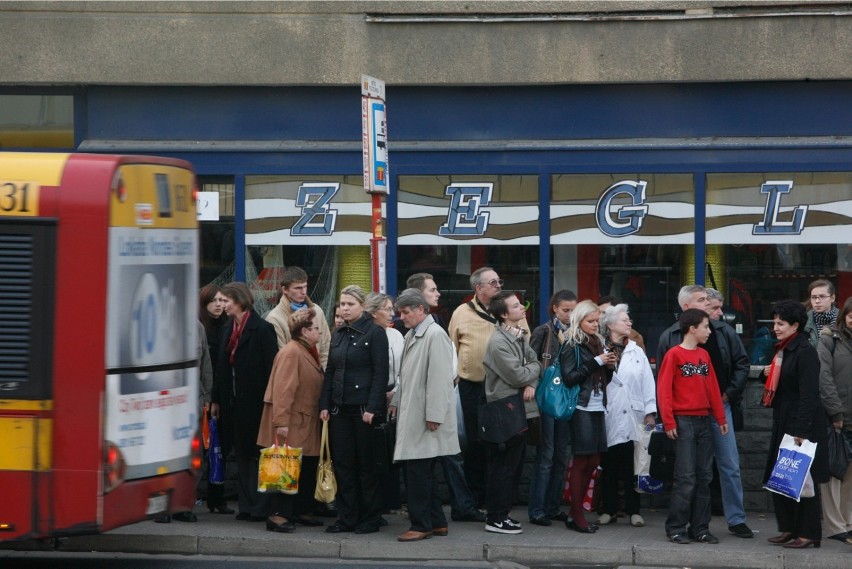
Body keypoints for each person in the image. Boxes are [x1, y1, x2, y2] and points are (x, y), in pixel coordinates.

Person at [657, 285, 754, 538]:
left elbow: (739, 366)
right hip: (685, 415)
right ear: (687, 308)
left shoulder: (722, 331)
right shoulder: (671, 339)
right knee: (687, 474)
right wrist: (667, 419)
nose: (708, 303)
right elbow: (664, 385)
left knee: (723, 466)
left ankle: (727, 521)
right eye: (701, 300)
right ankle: (681, 525)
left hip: (717, 406)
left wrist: (727, 396)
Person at [404, 272, 485, 523]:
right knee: (432, 462)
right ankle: (437, 513)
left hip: (440, 400)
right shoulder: (407, 327)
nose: (438, 293)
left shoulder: (435, 323)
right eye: (433, 290)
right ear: (419, 298)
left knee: (451, 457)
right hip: (422, 405)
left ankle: (457, 507)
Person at [450, 267, 528, 506]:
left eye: (499, 281)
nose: (498, 286)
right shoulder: (461, 312)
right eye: (493, 282)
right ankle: (477, 497)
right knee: (474, 443)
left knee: (506, 441)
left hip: (505, 389)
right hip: (472, 387)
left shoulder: (511, 310)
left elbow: (527, 345)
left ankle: (503, 498)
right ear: (478, 288)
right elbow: (451, 349)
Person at [389, 288, 459, 541]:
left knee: (417, 472)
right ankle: (436, 521)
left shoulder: (434, 335)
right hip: (418, 414)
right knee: (422, 471)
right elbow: (406, 376)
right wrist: (396, 399)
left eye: (406, 312)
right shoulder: (416, 334)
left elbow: (441, 379)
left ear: (421, 309)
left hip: (423, 416)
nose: (402, 317)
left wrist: (435, 415)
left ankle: (421, 525)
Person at [319, 285, 389, 534]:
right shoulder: (338, 333)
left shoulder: (375, 332)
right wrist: (324, 404)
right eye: (342, 304)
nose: (344, 308)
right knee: (344, 466)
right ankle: (347, 517)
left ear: (362, 306)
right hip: (340, 409)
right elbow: (331, 371)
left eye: (350, 304)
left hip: (363, 410)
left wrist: (372, 407)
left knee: (366, 466)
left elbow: (381, 374)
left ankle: (370, 518)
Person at [762, 299, 830, 549]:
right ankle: (789, 528)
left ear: (795, 325)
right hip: (784, 421)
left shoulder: (805, 352)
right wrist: (763, 375)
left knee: (802, 480)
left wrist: (801, 431)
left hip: (802, 426)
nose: (776, 327)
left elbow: (809, 395)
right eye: (775, 323)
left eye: (781, 323)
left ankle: (809, 533)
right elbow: (780, 382)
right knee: (781, 477)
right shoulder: (783, 350)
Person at [658, 308, 728, 545]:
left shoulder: (704, 356)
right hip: (683, 421)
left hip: (703, 421)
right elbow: (664, 390)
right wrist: (668, 421)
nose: (709, 331)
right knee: (686, 477)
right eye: (706, 326)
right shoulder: (673, 355)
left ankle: (700, 528)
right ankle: (676, 527)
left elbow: (713, 389)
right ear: (692, 329)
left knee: (704, 476)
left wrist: (720, 418)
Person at [210, 282, 278, 522]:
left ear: (239, 301)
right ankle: (246, 505)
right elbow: (221, 367)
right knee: (241, 454)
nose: (223, 305)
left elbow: (273, 369)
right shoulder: (229, 328)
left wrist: (271, 403)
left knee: (259, 454)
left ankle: (261, 506)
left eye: (226, 300)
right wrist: (216, 399)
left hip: (257, 404)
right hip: (233, 403)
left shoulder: (262, 329)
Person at [257, 308, 325, 533]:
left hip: (302, 420)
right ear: (304, 331)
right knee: (286, 467)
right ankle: (278, 515)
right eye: (316, 328)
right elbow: (284, 390)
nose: (320, 332)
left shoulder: (304, 350)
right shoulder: (292, 352)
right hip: (292, 421)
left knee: (302, 467)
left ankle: (299, 510)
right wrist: (281, 423)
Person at [481, 291, 541, 534]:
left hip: (518, 408)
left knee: (512, 467)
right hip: (505, 409)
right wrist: (531, 373)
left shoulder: (518, 336)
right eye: (516, 306)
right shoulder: (498, 342)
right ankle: (496, 518)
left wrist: (531, 382)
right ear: (504, 314)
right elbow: (518, 374)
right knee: (503, 468)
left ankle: (501, 515)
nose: (522, 308)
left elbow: (534, 363)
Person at [597, 303, 657, 528]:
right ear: (611, 324)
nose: (629, 323)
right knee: (609, 464)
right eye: (624, 320)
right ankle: (609, 509)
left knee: (635, 464)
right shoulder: (599, 348)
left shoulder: (636, 350)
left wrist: (650, 412)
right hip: (609, 414)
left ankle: (634, 510)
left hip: (635, 414)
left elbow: (647, 382)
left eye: (629, 319)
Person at [560, 300, 615, 533]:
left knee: (594, 460)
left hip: (597, 404)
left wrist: (609, 366)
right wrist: (597, 362)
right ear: (579, 320)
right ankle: (576, 513)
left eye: (597, 320)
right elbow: (569, 377)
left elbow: (605, 379)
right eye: (590, 321)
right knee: (582, 460)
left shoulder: (599, 342)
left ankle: (575, 513)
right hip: (581, 406)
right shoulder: (572, 344)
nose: (595, 324)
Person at [527, 289, 577, 526]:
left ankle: (553, 506)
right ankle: (537, 509)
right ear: (554, 308)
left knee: (561, 455)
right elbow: (531, 361)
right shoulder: (543, 331)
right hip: (546, 400)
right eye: (566, 310)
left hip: (566, 399)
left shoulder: (575, 334)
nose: (570, 315)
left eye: (573, 310)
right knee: (546, 455)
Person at [364, 292, 405, 518]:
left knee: (388, 448)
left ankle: (390, 501)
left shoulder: (396, 335)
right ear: (373, 312)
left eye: (393, 309)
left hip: (391, 393)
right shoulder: (367, 334)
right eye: (387, 309)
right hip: (371, 396)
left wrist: (396, 393)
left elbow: (403, 367)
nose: (392, 314)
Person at [817, 296, 852, 544]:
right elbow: (824, 378)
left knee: (850, 473)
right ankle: (834, 525)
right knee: (833, 472)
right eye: (851, 315)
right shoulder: (829, 339)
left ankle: (848, 521)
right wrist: (835, 412)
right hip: (837, 416)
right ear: (844, 316)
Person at [198, 284, 234, 515]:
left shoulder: (228, 326)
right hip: (204, 395)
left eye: (223, 300)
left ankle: (216, 497)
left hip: (220, 395)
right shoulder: (200, 327)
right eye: (215, 301)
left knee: (218, 448)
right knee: (203, 449)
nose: (220, 305)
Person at [265, 266, 332, 368]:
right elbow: (281, 357)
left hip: (319, 375)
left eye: (305, 286)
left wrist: (322, 375)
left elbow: (326, 347)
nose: (304, 292)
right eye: (298, 288)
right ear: (285, 290)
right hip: (294, 376)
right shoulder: (274, 318)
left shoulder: (317, 311)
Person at [805, 279, 838, 347]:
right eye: (813, 297)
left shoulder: (844, 319)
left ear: (832, 298)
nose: (817, 301)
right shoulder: (803, 320)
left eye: (822, 296)